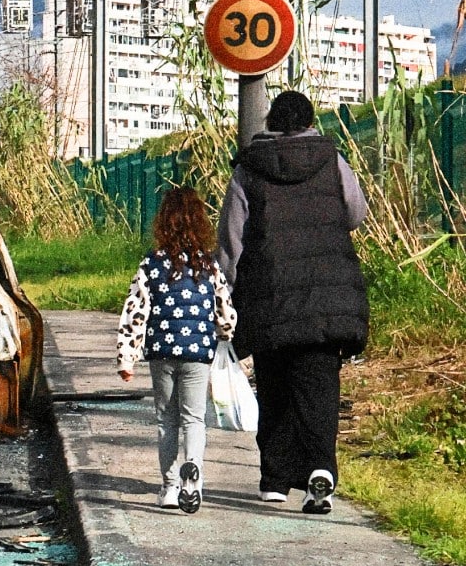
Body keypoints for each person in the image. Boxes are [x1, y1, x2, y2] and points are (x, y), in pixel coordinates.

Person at [218, 90, 368, 515]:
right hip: (326, 295)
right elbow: (356, 213)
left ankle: (275, 480)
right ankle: (321, 469)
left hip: (268, 298)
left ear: (271, 121)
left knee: (274, 386)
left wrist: (225, 289)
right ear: (308, 121)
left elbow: (232, 241)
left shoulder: (249, 169)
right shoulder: (331, 159)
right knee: (319, 387)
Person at [116, 185, 237, 513]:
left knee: (165, 420)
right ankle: (193, 472)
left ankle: (169, 488)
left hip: (162, 351)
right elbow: (224, 312)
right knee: (194, 418)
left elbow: (135, 312)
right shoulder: (208, 266)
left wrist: (127, 358)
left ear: (163, 223)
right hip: (198, 351)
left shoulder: (151, 264)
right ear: (200, 222)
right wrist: (224, 335)